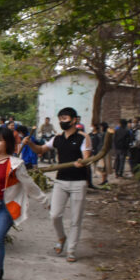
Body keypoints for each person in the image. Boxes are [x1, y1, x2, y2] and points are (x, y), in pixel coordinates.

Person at [0, 127, 48, 280]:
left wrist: (44, 199)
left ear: (7, 143)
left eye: (0, 140)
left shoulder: (15, 164)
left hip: (5, 207)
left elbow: (29, 184)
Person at [25, 107, 92, 263]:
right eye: (60, 119)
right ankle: (61, 237)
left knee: (76, 219)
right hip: (61, 181)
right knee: (54, 215)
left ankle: (71, 250)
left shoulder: (84, 137)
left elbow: (87, 158)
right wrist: (30, 144)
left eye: (66, 118)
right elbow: (41, 149)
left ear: (74, 119)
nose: (63, 121)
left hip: (79, 182)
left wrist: (81, 163)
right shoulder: (57, 138)